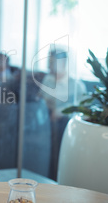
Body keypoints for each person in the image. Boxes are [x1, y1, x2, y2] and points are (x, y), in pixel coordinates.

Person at [39, 46, 86, 180]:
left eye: (52, 62)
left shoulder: (76, 85)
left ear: (63, 63)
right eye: (49, 61)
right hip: (47, 124)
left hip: (65, 126)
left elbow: (82, 109)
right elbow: (42, 101)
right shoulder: (48, 80)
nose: (49, 65)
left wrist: (60, 111)